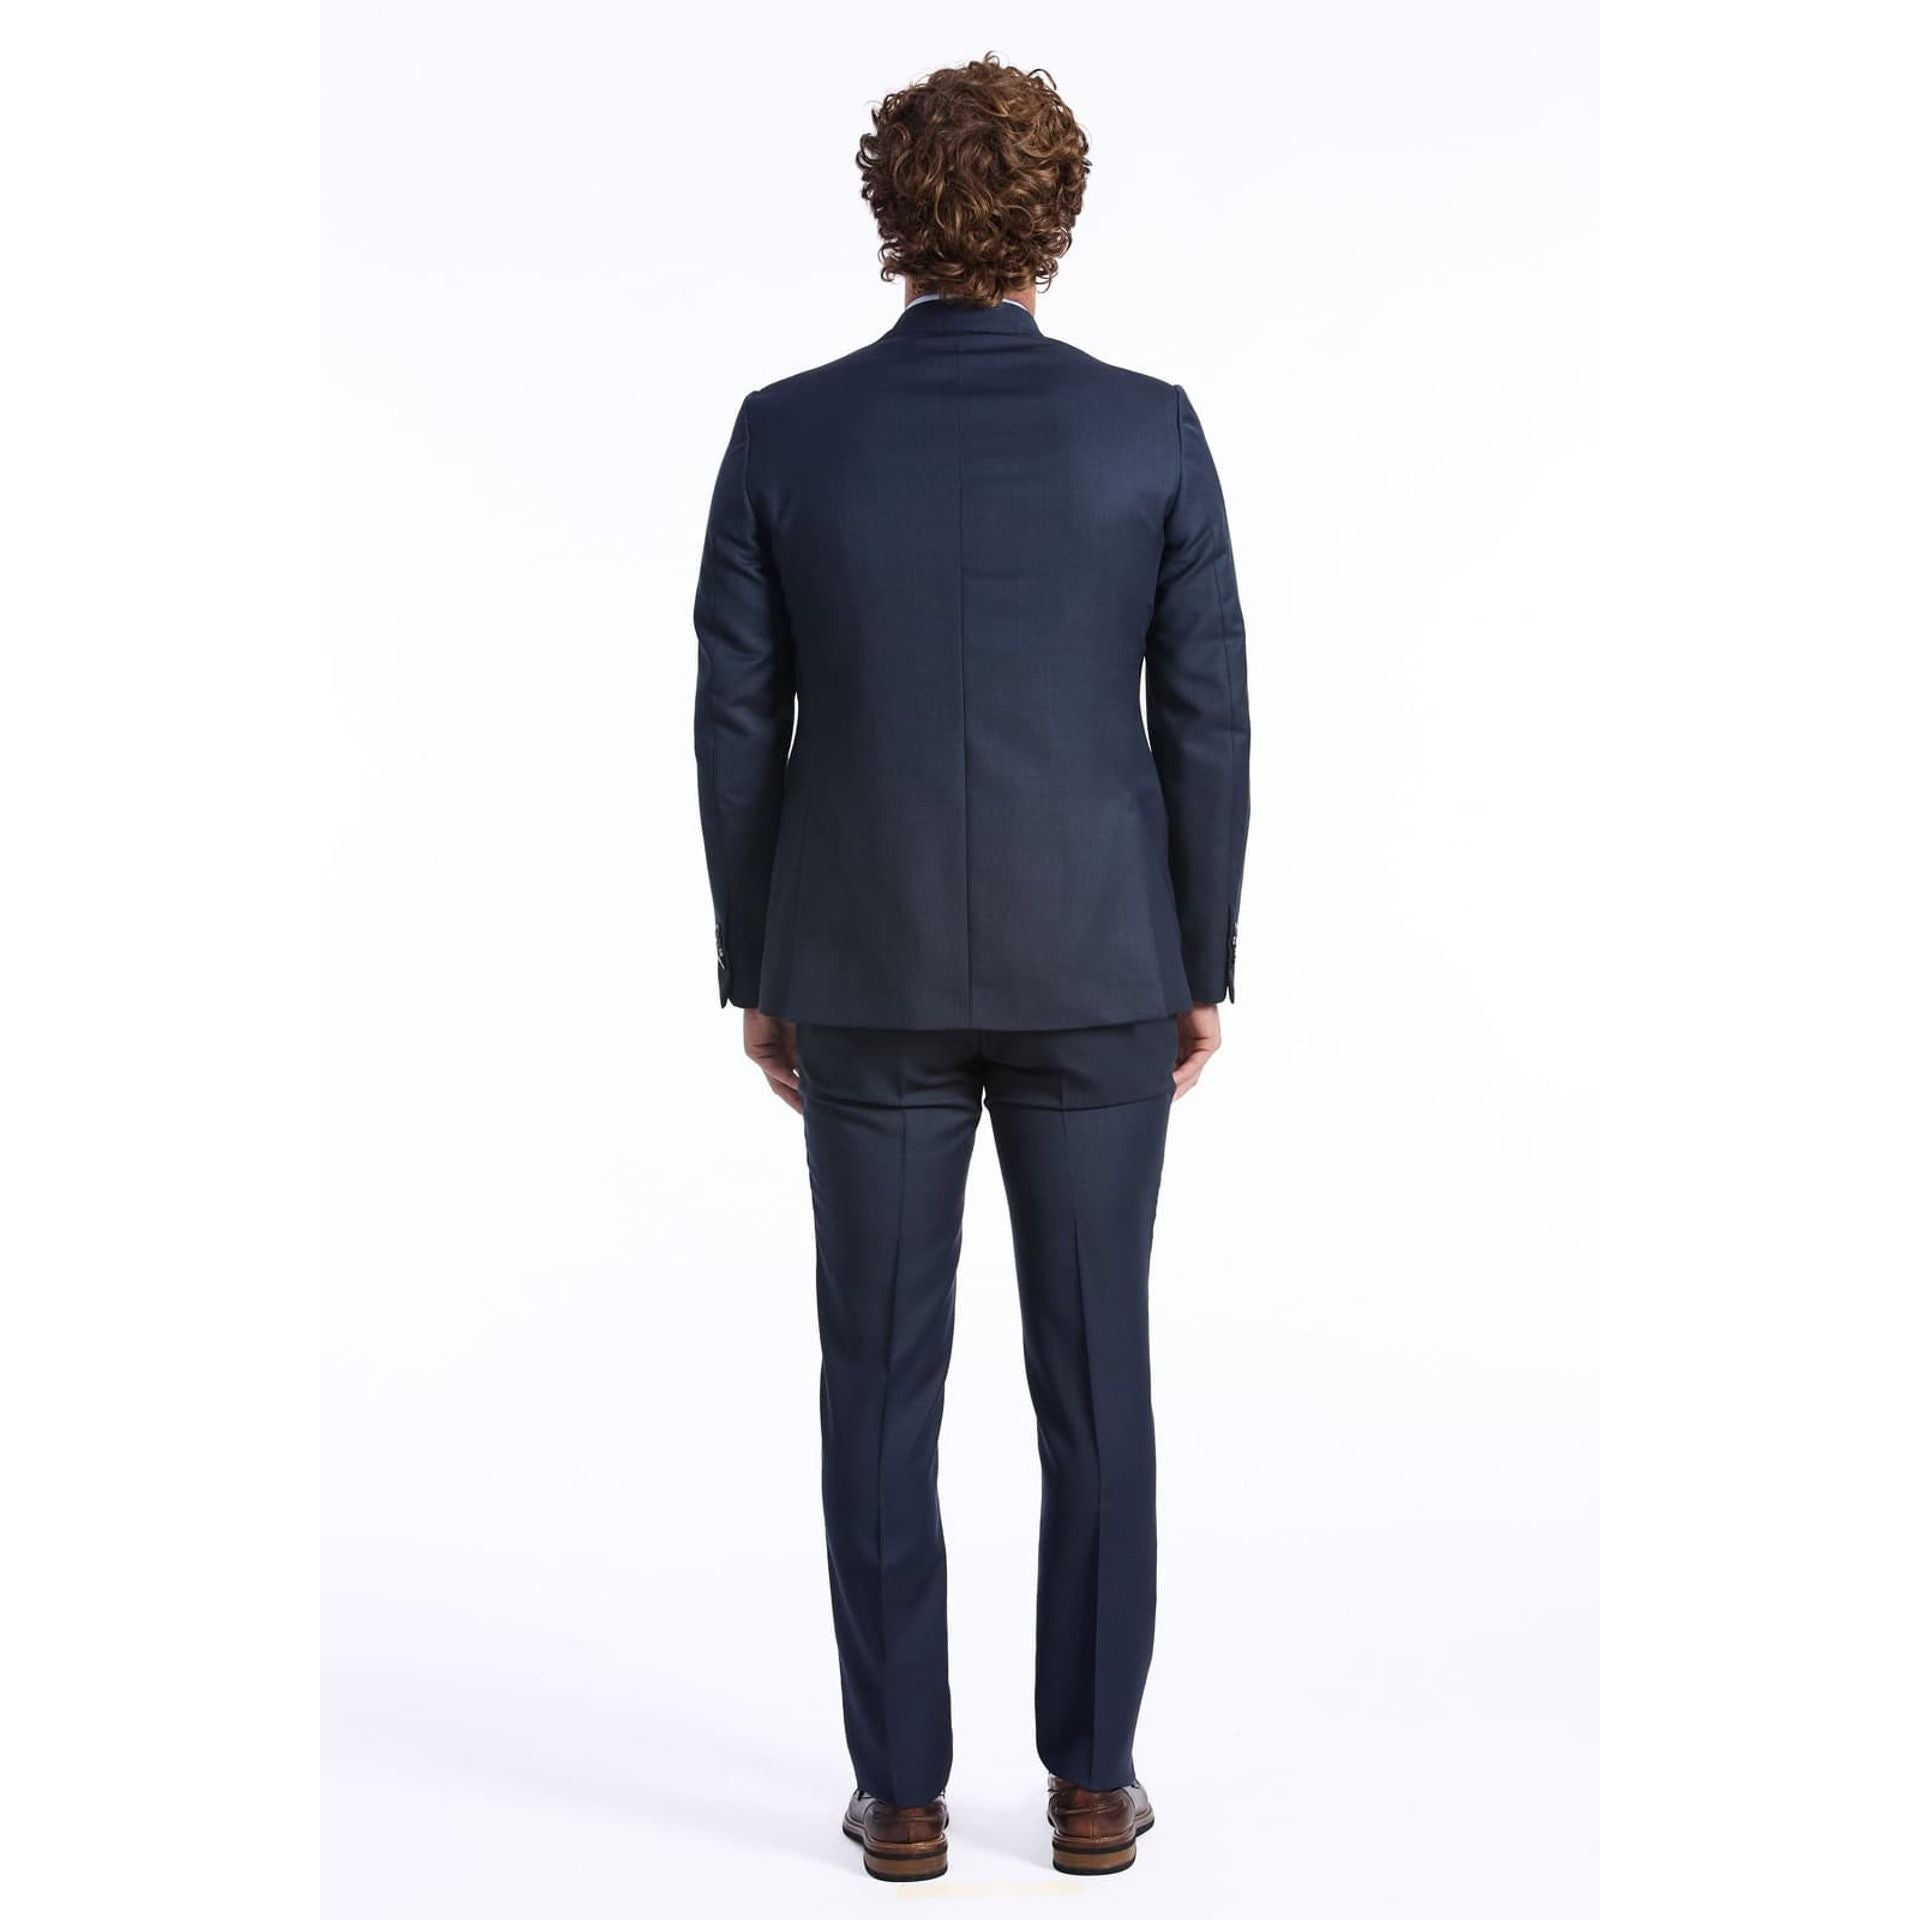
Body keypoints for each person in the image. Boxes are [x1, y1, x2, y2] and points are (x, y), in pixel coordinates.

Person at [693, 53, 1250, 1881]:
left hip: (858, 969)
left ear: (888, 212)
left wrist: (761, 962)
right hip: (1101, 967)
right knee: (1099, 1382)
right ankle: (1092, 1785)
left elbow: (735, 721)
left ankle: (906, 1796)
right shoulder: (1148, 431)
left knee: (879, 1382)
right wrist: (1198, 955)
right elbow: (1209, 718)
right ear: (1058, 218)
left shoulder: (787, 432)